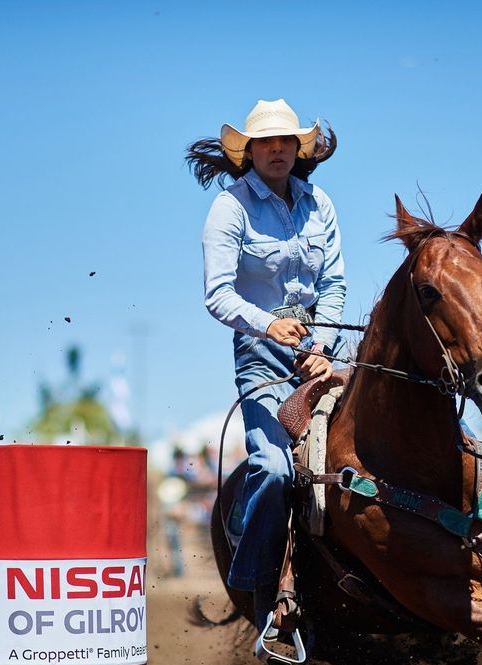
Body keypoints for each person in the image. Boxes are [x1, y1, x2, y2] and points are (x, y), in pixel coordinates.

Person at [186, 98, 346, 632]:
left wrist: (321, 345)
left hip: (320, 351)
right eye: (266, 143)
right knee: (276, 470)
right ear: (249, 152)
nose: (277, 150)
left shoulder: (318, 201)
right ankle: (261, 591)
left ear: (298, 149)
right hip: (261, 354)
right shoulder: (229, 208)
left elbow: (335, 284)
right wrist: (269, 324)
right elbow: (217, 296)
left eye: (286, 142)